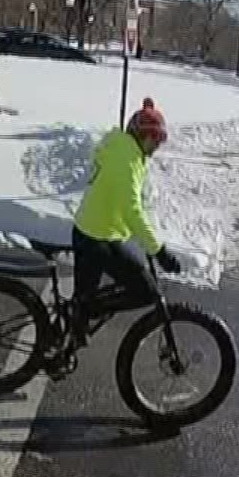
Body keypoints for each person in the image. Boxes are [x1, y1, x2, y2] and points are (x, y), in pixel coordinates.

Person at [68, 97, 182, 352]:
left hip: (95, 231)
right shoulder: (126, 158)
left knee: (83, 303)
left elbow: (129, 201)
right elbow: (131, 208)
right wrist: (158, 250)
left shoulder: (126, 150)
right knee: (145, 290)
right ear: (141, 135)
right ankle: (81, 311)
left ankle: (69, 328)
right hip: (97, 238)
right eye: (155, 139)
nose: (157, 146)